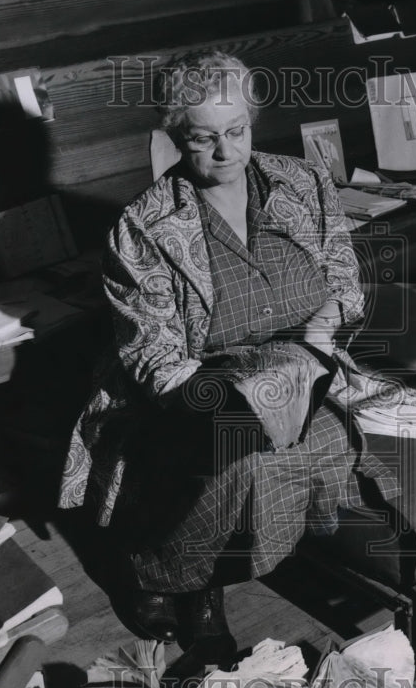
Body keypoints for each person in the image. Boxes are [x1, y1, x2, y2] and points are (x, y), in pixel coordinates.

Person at [60, 50, 396, 652]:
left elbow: (345, 283)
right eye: (203, 139)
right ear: (172, 138)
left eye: (237, 131)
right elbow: (154, 361)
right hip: (190, 390)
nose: (226, 152)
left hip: (303, 369)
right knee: (238, 453)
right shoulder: (145, 227)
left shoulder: (303, 182)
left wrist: (318, 337)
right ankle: (171, 576)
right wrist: (239, 398)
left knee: (321, 445)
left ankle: (207, 567)